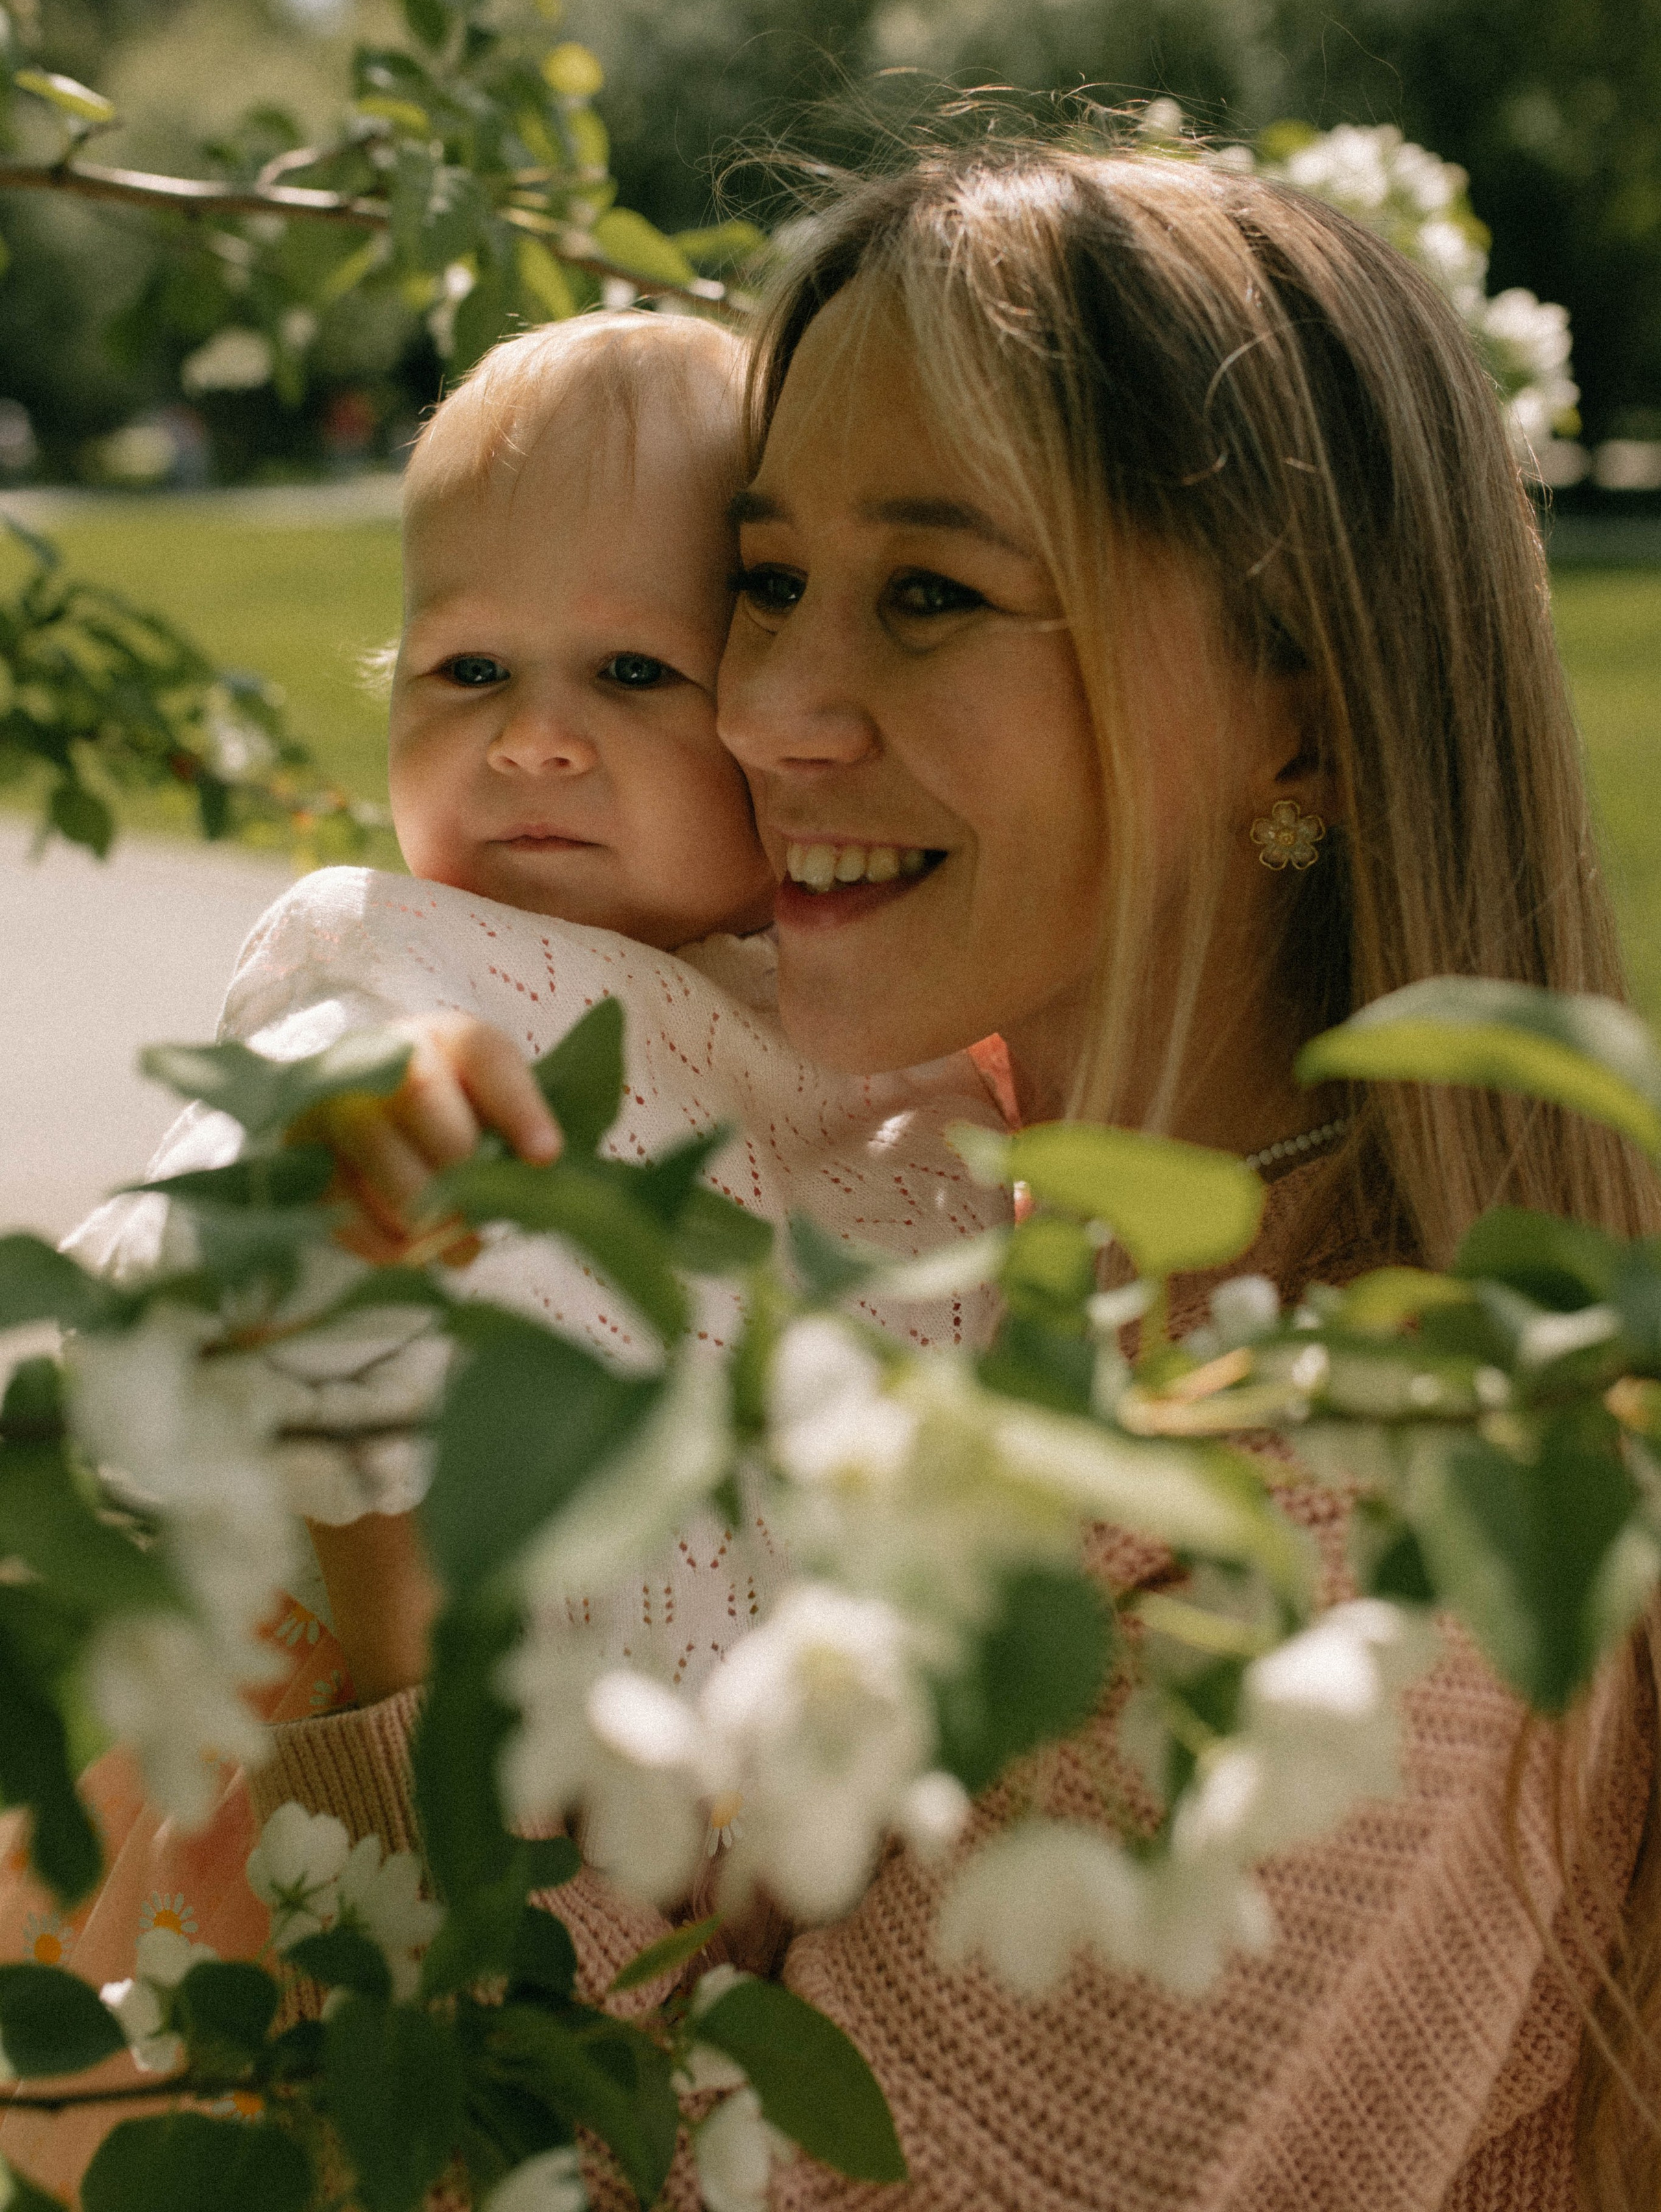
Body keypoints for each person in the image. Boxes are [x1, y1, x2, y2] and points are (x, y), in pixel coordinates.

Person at [250, 143, 1661, 2211]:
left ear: (1304, 727)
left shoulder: (1373, 1539)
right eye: (763, 581)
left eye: (929, 595)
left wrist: (381, 1544)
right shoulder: (895, 1219)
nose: (764, 710)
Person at [0, 306, 1008, 2199]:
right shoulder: (409, 979)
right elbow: (199, 1267)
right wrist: (334, 1170)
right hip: (319, 1833)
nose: (533, 738)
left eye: (633, 670)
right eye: (467, 668)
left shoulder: (874, 1055)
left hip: (676, 1867)